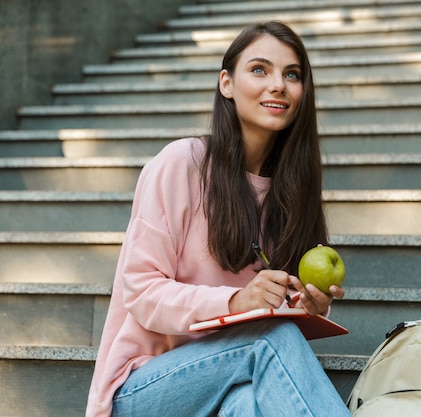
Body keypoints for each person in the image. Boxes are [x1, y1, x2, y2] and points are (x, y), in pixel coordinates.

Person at [86, 21, 352, 417]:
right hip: (145, 386)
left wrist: (306, 304)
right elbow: (141, 291)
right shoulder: (182, 164)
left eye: (291, 74)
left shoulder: (292, 190)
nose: (278, 84)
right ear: (226, 83)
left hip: (233, 373)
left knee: (245, 406)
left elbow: (269, 303)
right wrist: (234, 300)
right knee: (268, 338)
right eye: (260, 69)